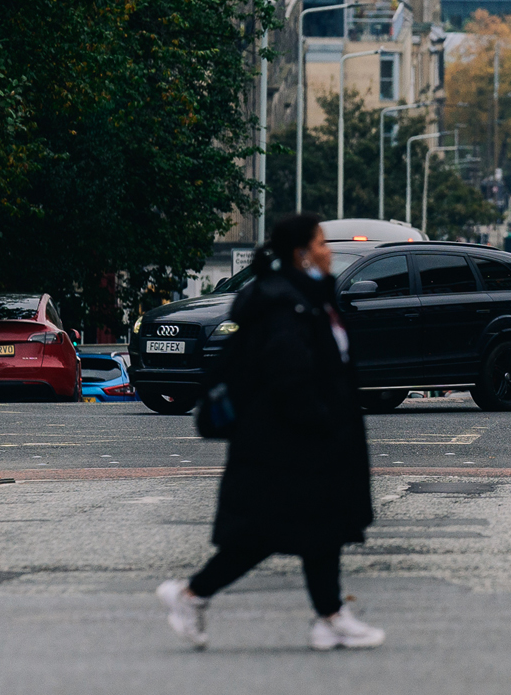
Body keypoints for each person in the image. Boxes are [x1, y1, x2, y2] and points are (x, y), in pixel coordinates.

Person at [158, 213, 383, 652]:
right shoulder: (285, 304)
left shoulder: (309, 296)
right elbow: (288, 377)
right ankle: (190, 595)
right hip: (286, 441)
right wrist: (323, 422)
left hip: (302, 436)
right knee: (268, 533)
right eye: (320, 243)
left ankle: (329, 617)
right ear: (302, 254)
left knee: (320, 528)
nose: (328, 250)